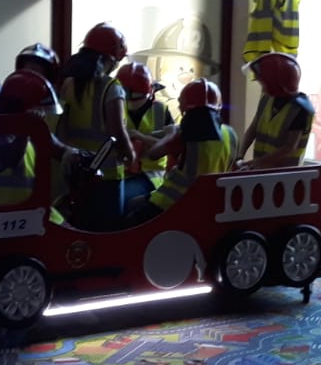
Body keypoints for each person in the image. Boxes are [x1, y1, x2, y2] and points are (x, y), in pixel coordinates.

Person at [125, 79, 238, 227]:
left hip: (174, 202)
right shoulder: (231, 134)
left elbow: (153, 154)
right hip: (211, 201)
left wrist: (170, 133)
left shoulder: (183, 135)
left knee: (130, 215)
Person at [57, 23, 138, 227]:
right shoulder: (111, 87)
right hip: (106, 176)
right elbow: (117, 131)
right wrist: (130, 154)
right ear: (110, 58)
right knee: (108, 231)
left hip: (75, 172)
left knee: (80, 228)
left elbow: (61, 126)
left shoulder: (69, 83)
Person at [0, 70, 66, 225]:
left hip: (28, 216)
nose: (43, 117)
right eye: (40, 112)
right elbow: (9, 159)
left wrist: (74, 156)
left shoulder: (30, 133)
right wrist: (26, 129)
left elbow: (57, 148)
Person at [238, 53, 314, 170]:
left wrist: (257, 163)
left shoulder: (300, 109)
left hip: (285, 175)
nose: (261, 86)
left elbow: (289, 148)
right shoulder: (267, 99)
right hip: (262, 171)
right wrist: (239, 156)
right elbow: (253, 129)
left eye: (262, 81)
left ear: (273, 82)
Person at [116, 62, 174, 188]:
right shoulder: (114, 108)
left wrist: (141, 137)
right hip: (120, 173)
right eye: (126, 97)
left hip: (151, 174)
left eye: (137, 97)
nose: (131, 103)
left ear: (151, 92)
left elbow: (172, 146)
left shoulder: (161, 111)